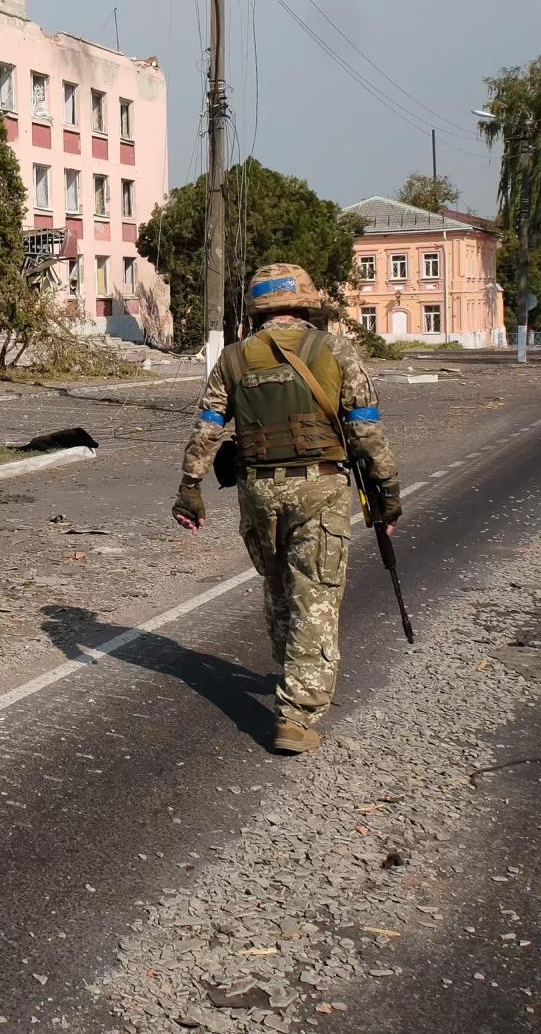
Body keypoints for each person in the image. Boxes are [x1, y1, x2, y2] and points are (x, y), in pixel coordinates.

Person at [170, 264, 402, 755]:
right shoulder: (334, 350)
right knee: (314, 593)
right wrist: (387, 491)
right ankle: (296, 714)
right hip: (320, 488)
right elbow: (366, 427)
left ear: (258, 307)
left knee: (277, 583)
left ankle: (291, 664)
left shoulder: (234, 359)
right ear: (306, 302)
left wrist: (190, 487)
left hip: (257, 493)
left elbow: (208, 426)